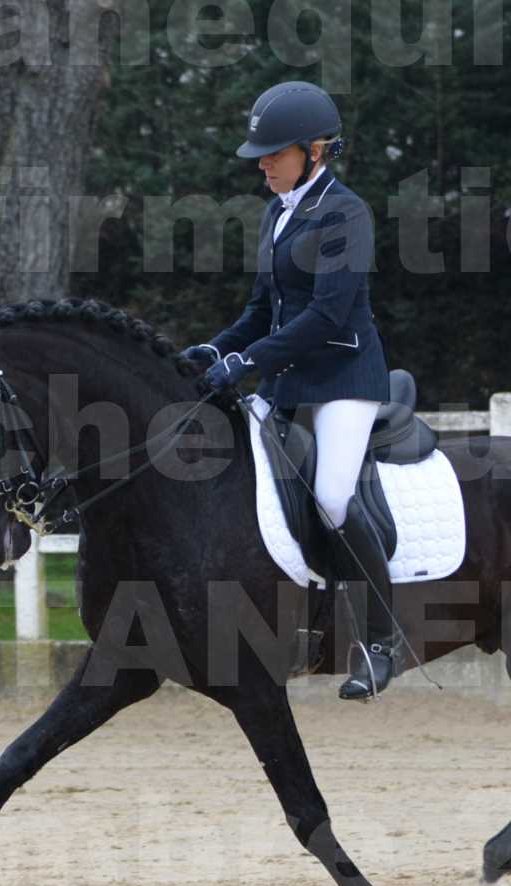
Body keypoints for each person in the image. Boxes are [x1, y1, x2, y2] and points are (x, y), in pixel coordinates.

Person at [179, 80, 401, 700]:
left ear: (316, 149)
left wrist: (247, 359)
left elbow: (329, 315)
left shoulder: (346, 213)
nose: (263, 165)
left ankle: (382, 643)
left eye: (274, 155)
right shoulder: (276, 212)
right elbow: (261, 307)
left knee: (330, 496)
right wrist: (218, 348)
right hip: (287, 375)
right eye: (261, 156)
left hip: (342, 378)